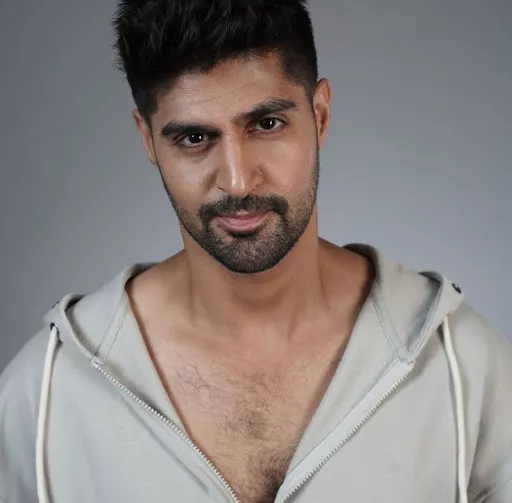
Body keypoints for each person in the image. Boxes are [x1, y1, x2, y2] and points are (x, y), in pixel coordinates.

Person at [1, 0, 511, 502]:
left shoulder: (464, 366)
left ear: (320, 114)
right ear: (148, 140)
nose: (238, 180)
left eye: (266, 124)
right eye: (194, 138)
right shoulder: (46, 394)